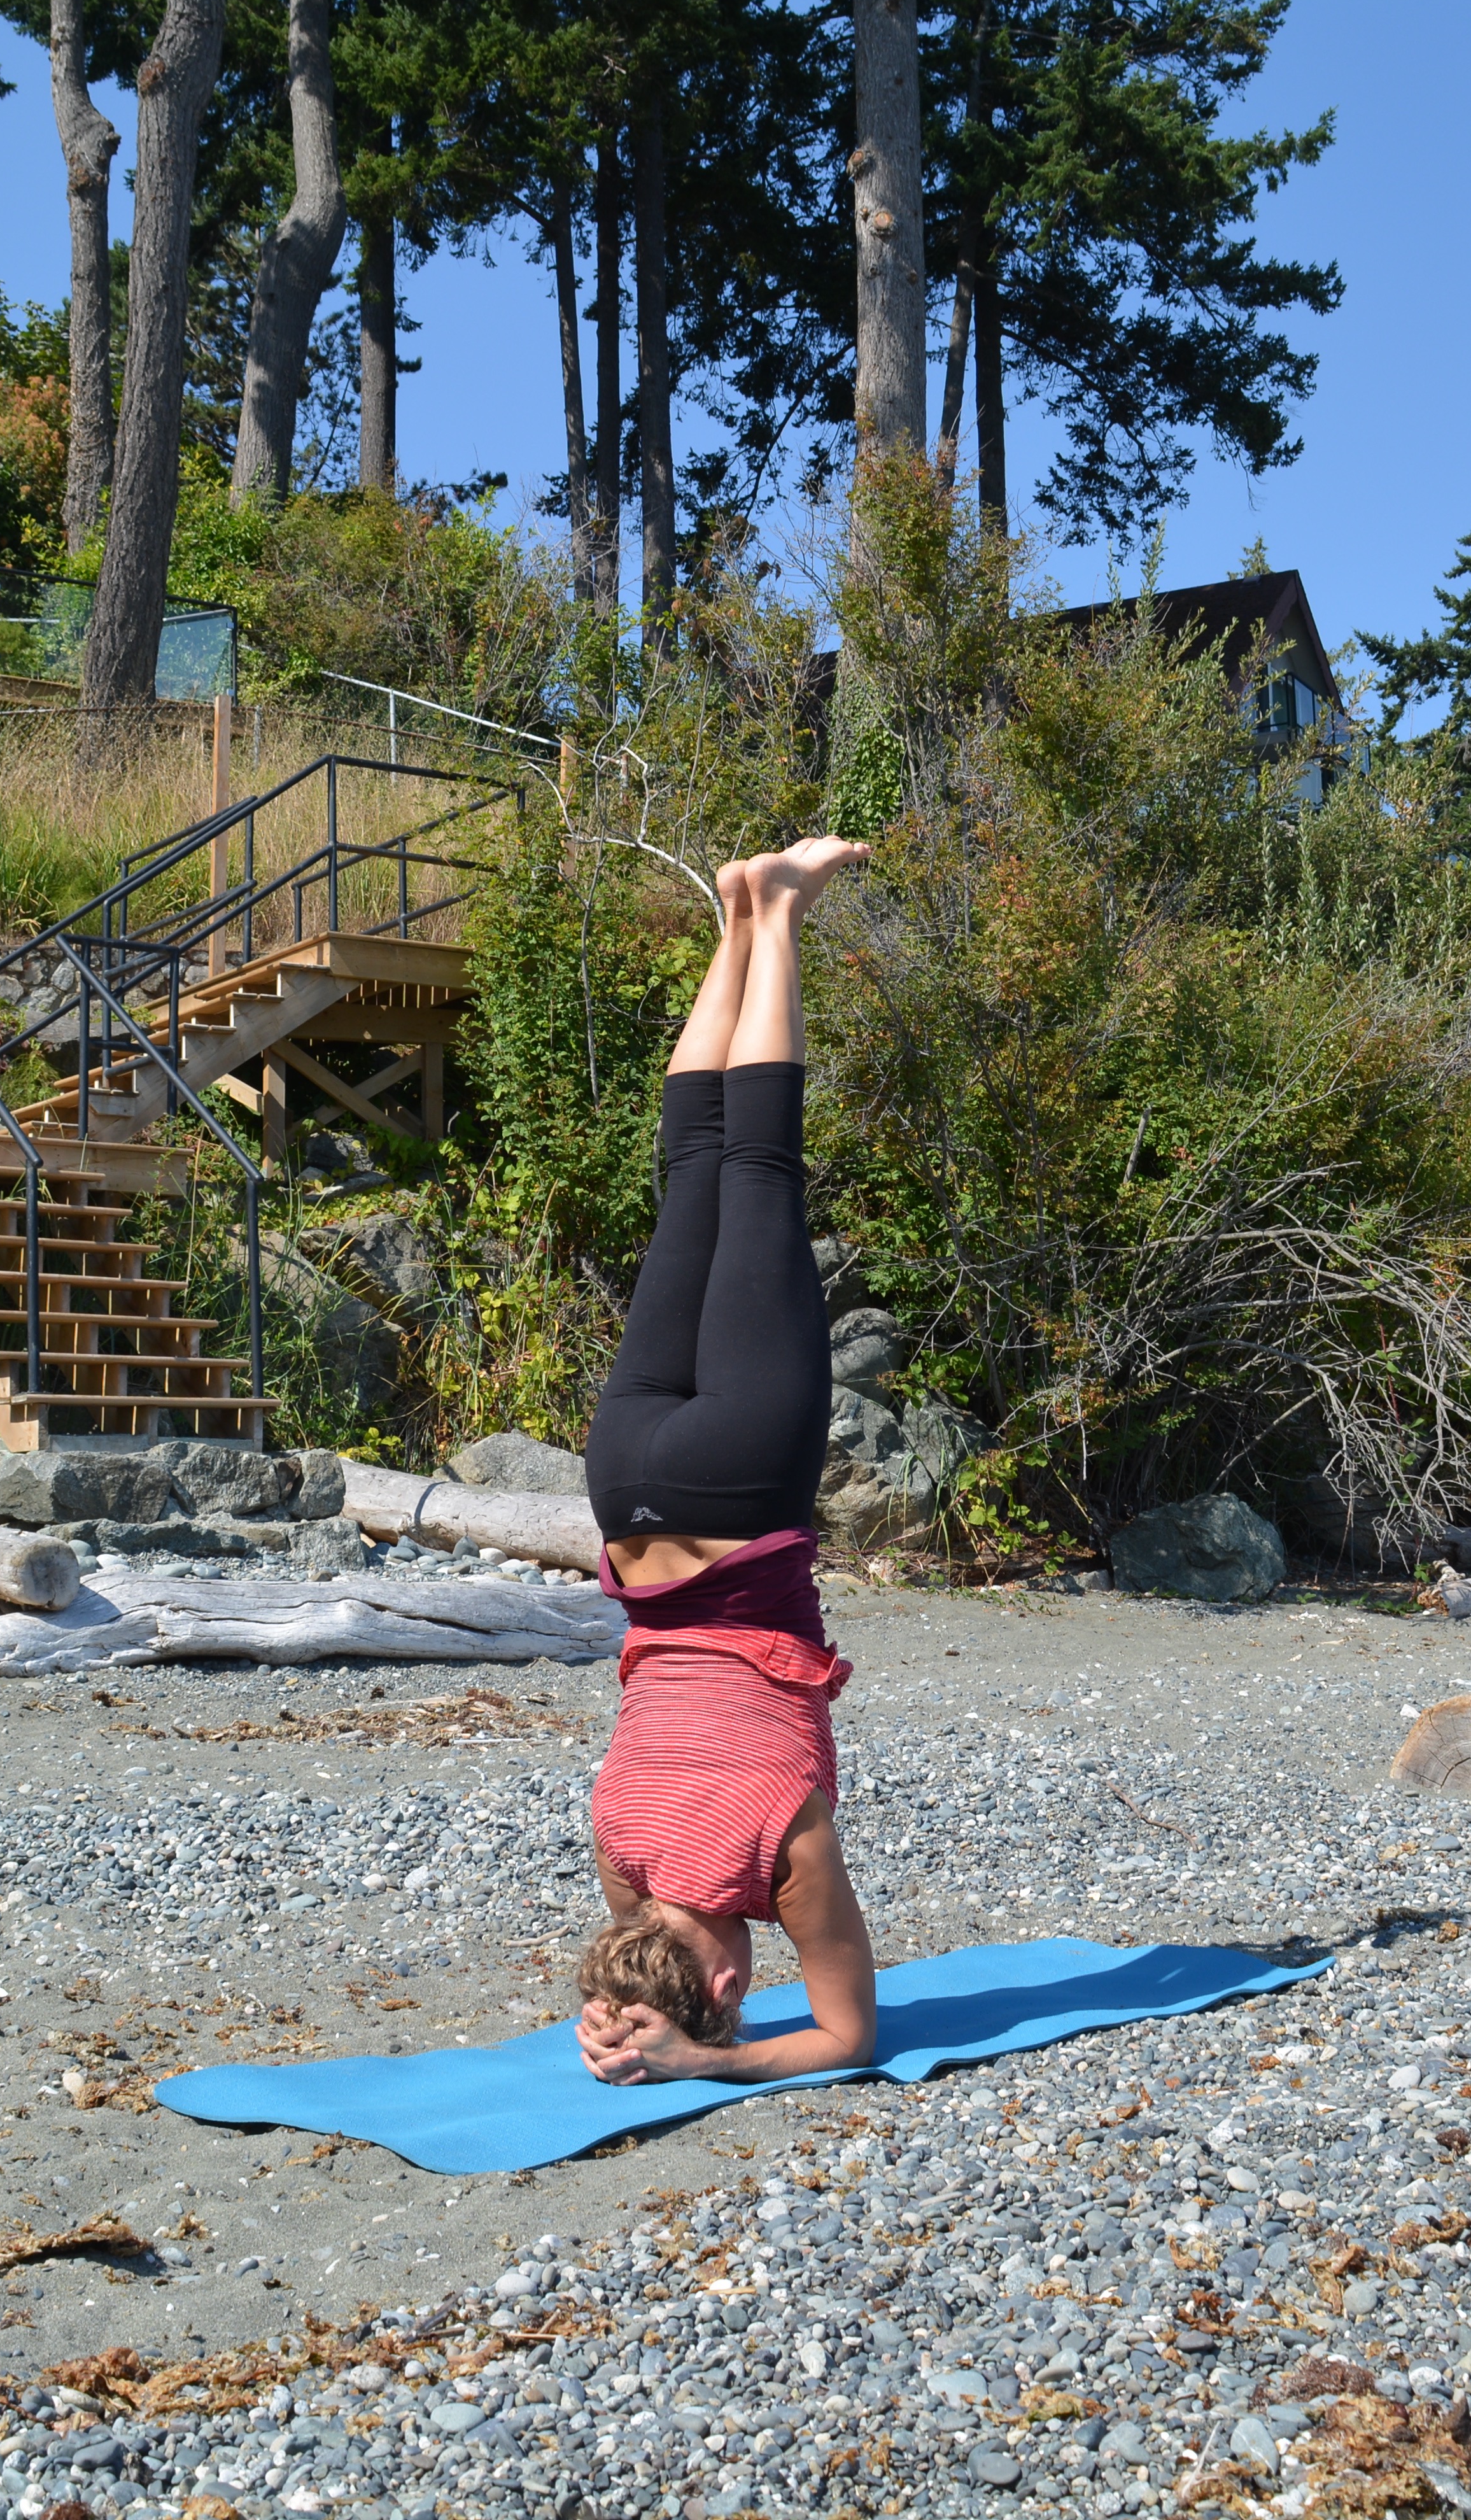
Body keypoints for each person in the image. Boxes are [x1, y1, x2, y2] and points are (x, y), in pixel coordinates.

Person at [574, 834, 880, 2086]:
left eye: (733, 2000)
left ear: (721, 1982)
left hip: (736, 1486)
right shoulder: (622, 1853)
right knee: (687, 1179)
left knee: (757, 1171)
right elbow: (642, 1945)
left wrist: (706, 2062)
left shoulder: (782, 1853)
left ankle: (786, 909)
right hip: (625, 1481)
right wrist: (617, 2020)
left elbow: (850, 2036)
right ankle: (738, 911)